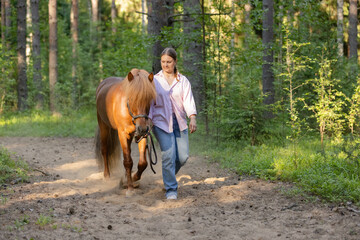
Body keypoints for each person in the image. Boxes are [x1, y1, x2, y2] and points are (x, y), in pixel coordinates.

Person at [149, 47, 197, 200]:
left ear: (175, 62)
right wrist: (148, 119)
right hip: (161, 122)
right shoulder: (155, 80)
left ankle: (167, 175)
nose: (165, 65)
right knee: (169, 155)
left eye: (169, 62)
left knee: (182, 157)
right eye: (163, 62)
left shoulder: (183, 81)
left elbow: (188, 100)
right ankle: (171, 189)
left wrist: (193, 118)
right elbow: (149, 102)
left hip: (180, 122)